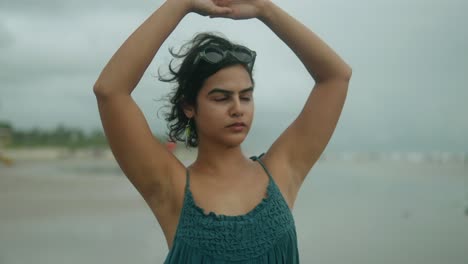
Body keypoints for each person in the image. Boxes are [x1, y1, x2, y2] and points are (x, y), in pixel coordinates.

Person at [93, 0, 352, 262]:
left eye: (246, 97)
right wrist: (182, 4)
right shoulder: (170, 187)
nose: (237, 108)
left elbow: (336, 76)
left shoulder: (283, 171)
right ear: (189, 106)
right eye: (221, 98)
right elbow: (110, 91)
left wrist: (264, 9)